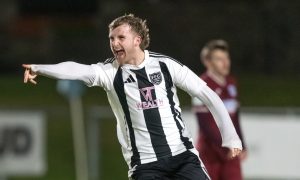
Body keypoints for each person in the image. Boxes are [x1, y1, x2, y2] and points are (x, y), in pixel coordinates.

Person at [23, 14, 242, 180]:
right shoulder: (109, 73)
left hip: (183, 156)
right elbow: (76, 69)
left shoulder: (165, 65)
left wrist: (230, 136)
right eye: (111, 38)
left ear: (137, 40)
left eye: (121, 37)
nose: (114, 43)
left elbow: (207, 94)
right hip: (146, 165)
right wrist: (38, 67)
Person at [192, 40, 247, 180]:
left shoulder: (231, 83)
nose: (225, 62)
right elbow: (205, 123)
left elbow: (235, 117)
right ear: (208, 62)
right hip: (210, 153)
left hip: (231, 152)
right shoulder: (200, 86)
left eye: (226, 58)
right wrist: (225, 147)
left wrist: (242, 144)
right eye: (219, 59)